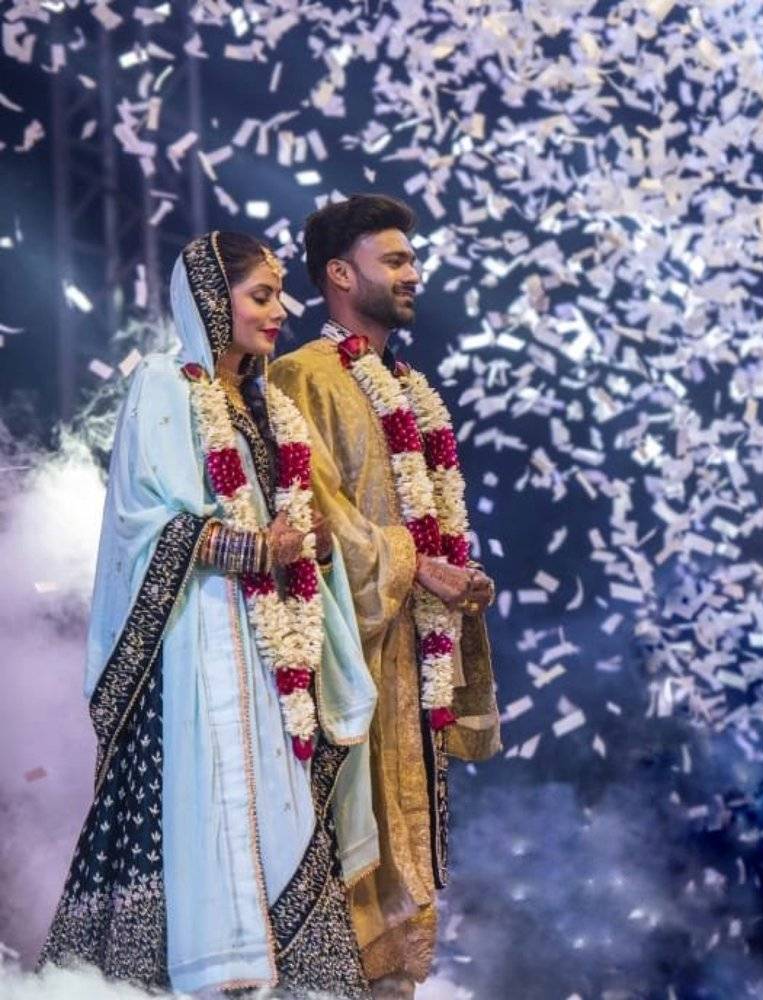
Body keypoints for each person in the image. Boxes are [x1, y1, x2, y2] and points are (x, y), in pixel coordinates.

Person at [40, 231, 379, 998]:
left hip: (271, 655)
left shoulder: (268, 405)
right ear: (209, 302)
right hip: (197, 649)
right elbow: (143, 524)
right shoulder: (165, 384)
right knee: (207, 825)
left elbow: (287, 526)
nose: (280, 310)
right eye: (261, 295)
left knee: (287, 826)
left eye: (279, 294)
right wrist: (255, 547)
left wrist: (312, 547)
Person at [269, 194, 500, 999]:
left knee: (405, 912)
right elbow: (314, 513)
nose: (413, 273)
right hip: (347, 669)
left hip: (411, 665)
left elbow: (427, 517)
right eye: (395, 259)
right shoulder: (301, 377)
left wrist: (456, 574)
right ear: (341, 274)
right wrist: (414, 563)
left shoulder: (408, 385)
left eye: (412, 259)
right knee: (345, 883)